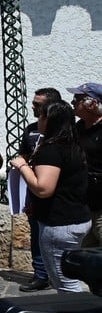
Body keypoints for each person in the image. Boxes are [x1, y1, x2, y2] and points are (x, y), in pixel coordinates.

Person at [11, 100, 90, 293]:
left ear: (49, 120)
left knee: (65, 283)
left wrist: (21, 165)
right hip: (75, 218)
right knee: (69, 278)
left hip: (60, 223)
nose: (38, 119)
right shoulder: (73, 144)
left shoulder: (51, 149)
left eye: (41, 115)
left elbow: (44, 189)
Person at [18, 87, 61, 292]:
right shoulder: (31, 129)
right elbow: (24, 155)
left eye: (37, 104)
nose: (33, 107)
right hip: (35, 191)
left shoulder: (66, 133)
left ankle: (62, 275)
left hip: (59, 195)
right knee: (36, 234)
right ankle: (41, 274)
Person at [67, 83, 102, 249]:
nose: (73, 103)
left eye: (77, 99)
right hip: (84, 203)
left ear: (92, 103)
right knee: (86, 254)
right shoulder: (78, 128)